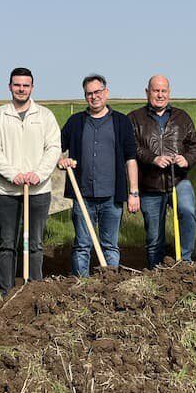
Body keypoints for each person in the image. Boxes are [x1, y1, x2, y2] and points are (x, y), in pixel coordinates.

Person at [0, 67, 61, 296]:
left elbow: (53, 148)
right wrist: (12, 174)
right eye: (17, 85)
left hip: (38, 190)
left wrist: (39, 173)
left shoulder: (45, 116)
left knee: (35, 243)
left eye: (25, 85)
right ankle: (7, 293)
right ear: (10, 86)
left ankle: (34, 291)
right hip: (6, 191)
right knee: (7, 243)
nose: (21, 89)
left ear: (32, 88)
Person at [58, 74, 139, 275]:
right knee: (82, 245)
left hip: (111, 197)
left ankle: (110, 285)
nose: (94, 97)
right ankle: (81, 285)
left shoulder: (121, 122)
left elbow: (130, 159)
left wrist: (134, 193)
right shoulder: (75, 122)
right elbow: (55, 147)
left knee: (110, 246)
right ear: (85, 96)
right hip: (83, 196)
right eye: (89, 93)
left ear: (106, 92)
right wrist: (61, 160)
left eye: (97, 92)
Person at [128, 75, 196, 267]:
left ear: (169, 93)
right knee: (154, 236)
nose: (160, 95)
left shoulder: (182, 117)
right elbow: (131, 147)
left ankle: (185, 262)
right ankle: (155, 270)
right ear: (147, 92)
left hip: (178, 180)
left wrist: (187, 159)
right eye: (156, 91)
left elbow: (194, 146)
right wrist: (153, 158)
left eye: (163, 91)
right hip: (149, 184)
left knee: (187, 211)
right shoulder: (134, 118)